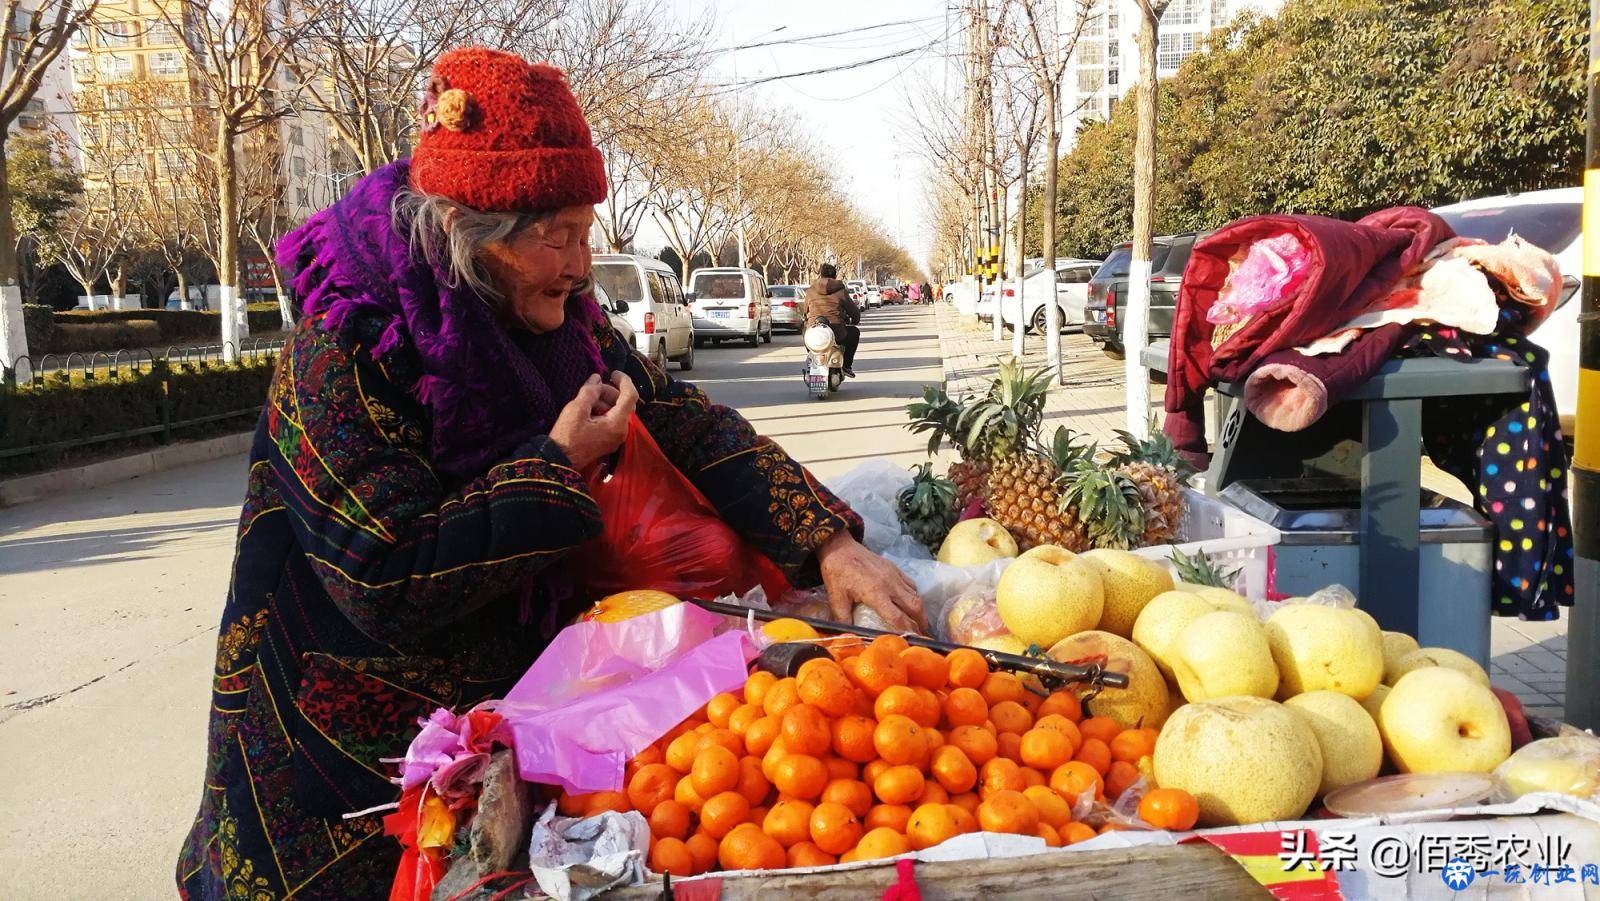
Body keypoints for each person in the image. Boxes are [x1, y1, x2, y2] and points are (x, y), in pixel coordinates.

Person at [175, 49, 923, 898]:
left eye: (585, 231)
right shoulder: (347, 345)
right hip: (336, 773)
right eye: (557, 236)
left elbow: (680, 419)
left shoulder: (558, 324)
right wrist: (556, 466)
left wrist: (824, 539)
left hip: (505, 742)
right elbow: (381, 573)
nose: (579, 264)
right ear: (468, 229)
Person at [803, 262, 862, 377]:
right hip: (837, 332)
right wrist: (855, 319)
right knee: (854, 332)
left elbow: (805, 311)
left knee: (805, 333)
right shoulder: (841, 292)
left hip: (815, 332)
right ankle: (846, 366)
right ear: (835, 276)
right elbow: (854, 312)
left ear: (820, 274)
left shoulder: (810, 291)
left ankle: (812, 357)